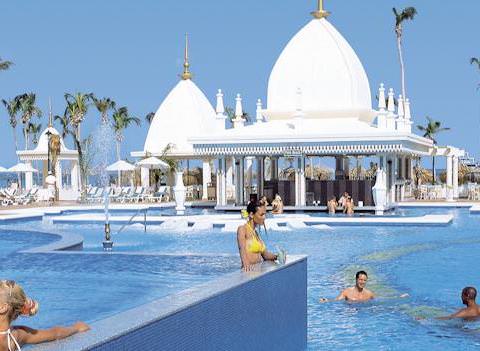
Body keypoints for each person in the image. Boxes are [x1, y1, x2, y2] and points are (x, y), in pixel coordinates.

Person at [0, 280, 90, 351]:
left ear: (3, 308)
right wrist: (76, 328)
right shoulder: (18, 334)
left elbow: (56, 333)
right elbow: (55, 333)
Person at [237, 202, 279, 271]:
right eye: (261, 215)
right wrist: (246, 264)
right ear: (251, 215)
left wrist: (277, 256)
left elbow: (266, 255)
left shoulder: (256, 234)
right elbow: (242, 250)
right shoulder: (242, 229)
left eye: (264, 215)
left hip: (258, 272)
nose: (264, 218)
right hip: (249, 273)